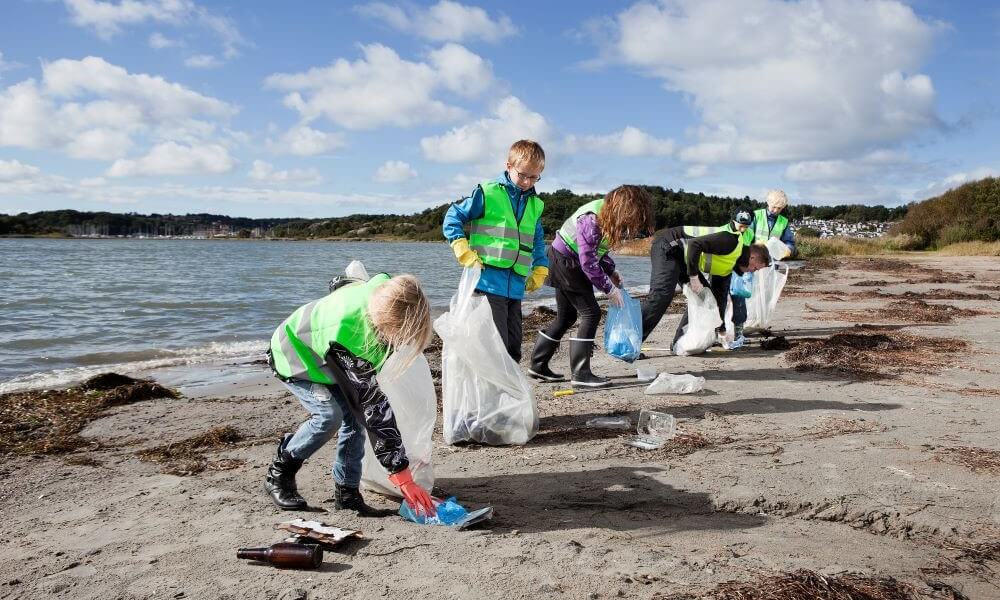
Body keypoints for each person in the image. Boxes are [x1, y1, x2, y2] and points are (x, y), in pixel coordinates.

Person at [264, 273, 437, 518]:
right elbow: (372, 407)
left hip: (326, 357)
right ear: (387, 322)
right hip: (293, 357)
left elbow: (343, 283)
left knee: (354, 421)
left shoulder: (384, 291)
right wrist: (402, 476)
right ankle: (279, 473)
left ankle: (347, 494)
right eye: (399, 335)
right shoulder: (350, 333)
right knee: (328, 416)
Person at [527, 185, 654, 388]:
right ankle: (581, 373)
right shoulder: (591, 219)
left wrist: (611, 270)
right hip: (566, 263)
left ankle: (538, 365)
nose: (632, 224)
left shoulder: (607, 217)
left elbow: (597, 252)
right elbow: (587, 261)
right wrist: (609, 289)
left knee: (566, 317)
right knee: (591, 313)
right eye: (632, 216)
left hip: (565, 261)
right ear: (623, 208)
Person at [442, 140, 549, 363]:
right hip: (488, 284)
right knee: (496, 349)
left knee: (513, 350)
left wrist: (541, 267)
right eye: (523, 175)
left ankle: (508, 396)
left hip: (516, 287)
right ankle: (494, 396)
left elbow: (538, 239)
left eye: (534, 177)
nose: (527, 182)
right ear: (508, 166)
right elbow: (453, 217)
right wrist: (462, 249)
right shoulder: (488, 193)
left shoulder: (536, 205)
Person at [640, 210, 771, 348]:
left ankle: (680, 343)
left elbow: (719, 299)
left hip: (683, 257)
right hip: (668, 244)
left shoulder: (728, 268)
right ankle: (631, 342)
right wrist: (694, 277)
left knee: (705, 298)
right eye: (755, 268)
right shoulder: (731, 241)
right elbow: (694, 244)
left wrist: (721, 330)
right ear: (752, 258)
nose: (752, 272)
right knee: (662, 295)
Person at [731, 189, 796, 340]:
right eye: (773, 207)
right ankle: (743, 324)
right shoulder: (756, 216)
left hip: (769, 265)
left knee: (764, 294)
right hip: (751, 261)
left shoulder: (783, 222)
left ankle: (757, 322)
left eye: (779, 208)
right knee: (747, 293)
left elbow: (790, 242)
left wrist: (787, 250)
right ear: (768, 203)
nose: (775, 210)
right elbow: (745, 235)